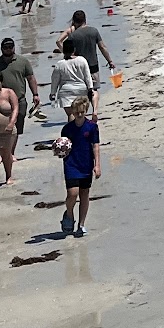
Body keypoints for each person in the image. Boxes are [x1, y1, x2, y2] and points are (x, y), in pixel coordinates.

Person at [58, 96, 100, 237]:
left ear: (86, 110)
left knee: (84, 194)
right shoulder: (67, 129)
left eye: (82, 112)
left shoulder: (92, 127)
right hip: (71, 164)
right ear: (73, 112)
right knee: (72, 194)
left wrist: (97, 165)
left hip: (86, 164)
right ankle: (69, 214)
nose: (80, 114)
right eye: (77, 112)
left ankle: (81, 225)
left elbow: (95, 146)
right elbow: (63, 146)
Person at [58, 10, 115, 105]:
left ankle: (83, 111)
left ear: (74, 21)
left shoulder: (73, 36)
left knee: (82, 91)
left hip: (79, 67)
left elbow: (66, 51)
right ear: (85, 19)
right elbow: (102, 47)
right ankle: (95, 110)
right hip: (93, 65)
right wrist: (110, 61)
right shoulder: (94, 31)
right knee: (94, 90)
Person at [48, 47, 97, 118]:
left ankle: (72, 125)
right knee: (80, 113)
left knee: (71, 114)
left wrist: (53, 93)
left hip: (66, 92)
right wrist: (90, 88)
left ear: (63, 51)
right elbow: (87, 76)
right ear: (74, 50)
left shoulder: (60, 64)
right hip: (81, 90)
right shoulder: (82, 60)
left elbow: (55, 80)